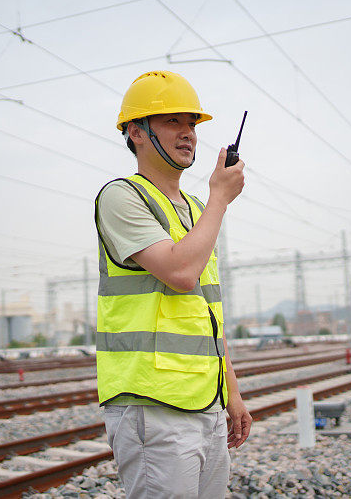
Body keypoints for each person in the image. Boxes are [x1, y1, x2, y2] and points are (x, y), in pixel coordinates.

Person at [94, 70, 252, 498]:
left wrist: (231, 392)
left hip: (205, 402)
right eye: (171, 122)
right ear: (135, 132)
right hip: (153, 404)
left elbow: (206, 313)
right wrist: (220, 198)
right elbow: (181, 274)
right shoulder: (122, 198)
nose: (188, 134)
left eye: (192, 124)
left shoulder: (195, 209)